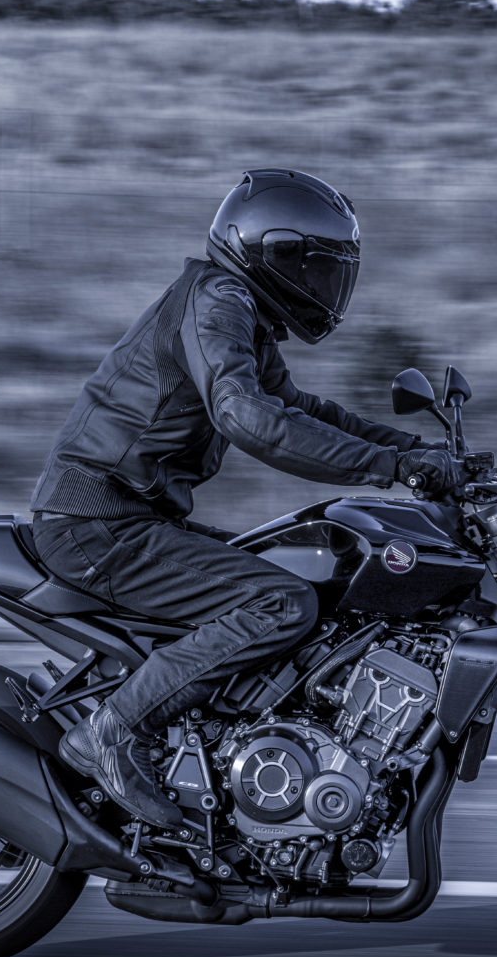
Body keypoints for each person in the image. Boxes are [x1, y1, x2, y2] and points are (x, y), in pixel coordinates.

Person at [27, 169, 466, 829]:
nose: (328, 286)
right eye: (321, 268)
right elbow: (249, 417)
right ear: (279, 253)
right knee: (280, 601)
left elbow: (297, 408)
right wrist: (391, 466)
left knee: (301, 577)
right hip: (98, 525)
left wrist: (416, 452)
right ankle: (114, 731)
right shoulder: (216, 300)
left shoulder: (237, 313)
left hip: (128, 518)